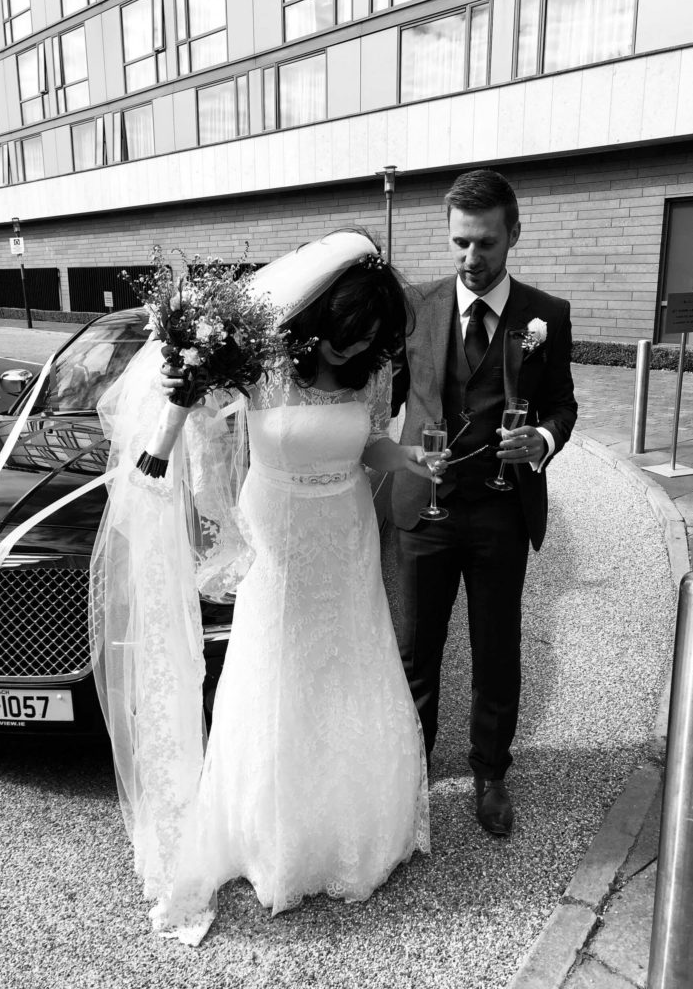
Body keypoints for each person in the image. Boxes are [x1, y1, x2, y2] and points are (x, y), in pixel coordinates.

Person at [90, 230, 436, 946]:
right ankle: (273, 835)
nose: (359, 346)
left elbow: (367, 438)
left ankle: (353, 825)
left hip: (346, 529)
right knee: (277, 671)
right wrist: (172, 423)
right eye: (349, 332)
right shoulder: (264, 363)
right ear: (322, 319)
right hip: (277, 531)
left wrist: (400, 457)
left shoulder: (372, 372)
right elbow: (196, 419)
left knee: (350, 662)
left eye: (372, 336)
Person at [391, 169, 578, 837]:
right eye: (460, 243)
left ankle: (490, 774)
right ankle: (409, 771)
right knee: (416, 650)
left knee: (496, 649)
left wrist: (544, 438)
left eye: (485, 244)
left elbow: (562, 402)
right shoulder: (417, 306)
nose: (471, 258)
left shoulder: (544, 315)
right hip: (425, 510)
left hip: (502, 510)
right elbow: (382, 396)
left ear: (513, 235)